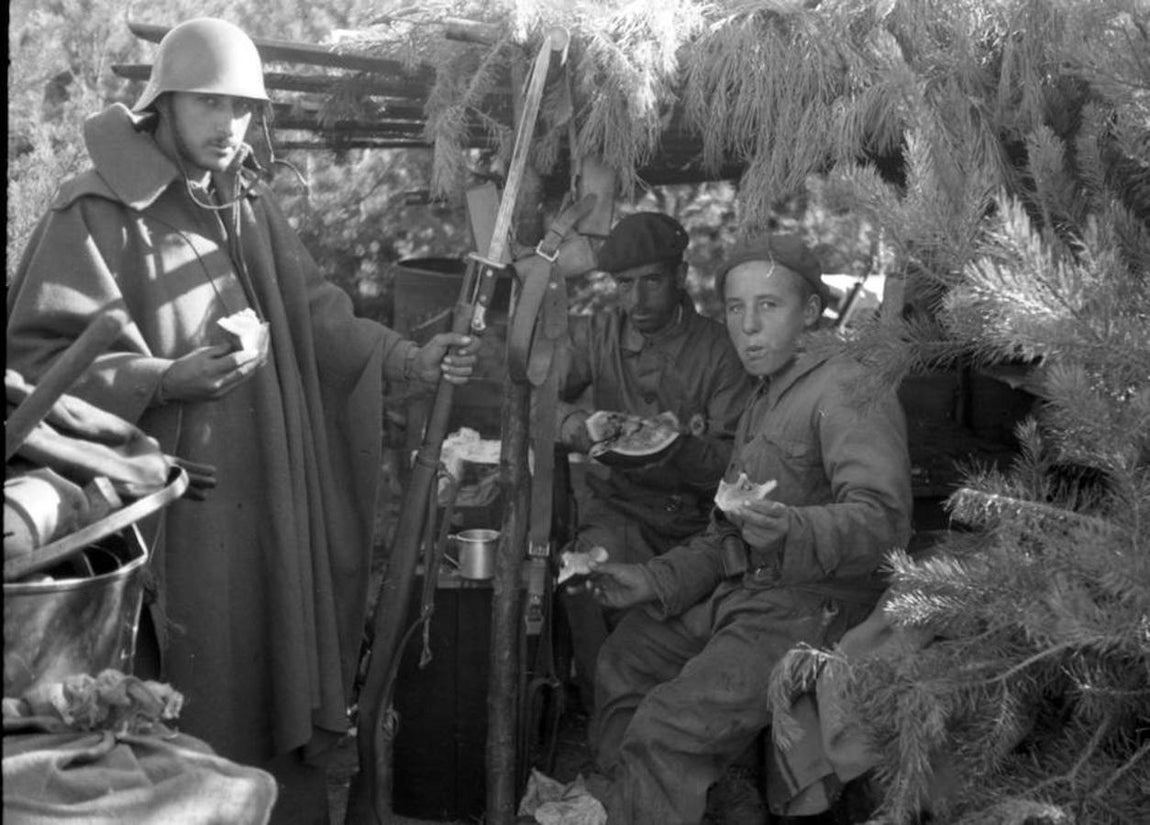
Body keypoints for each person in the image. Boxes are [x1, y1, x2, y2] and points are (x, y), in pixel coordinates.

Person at [5, 17, 476, 824]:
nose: (231, 126)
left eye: (245, 108)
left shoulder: (244, 201)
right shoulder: (93, 211)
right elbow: (35, 364)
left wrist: (405, 359)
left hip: (266, 493)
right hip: (172, 507)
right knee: (189, 680)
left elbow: (314, 313)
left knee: (265, 671)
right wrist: (162, 376)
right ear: (163, 104)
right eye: (211, 105)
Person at [582, 234, 913, 824]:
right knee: (624, 658)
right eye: (736, 308)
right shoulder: (765, 398)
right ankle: (629, 802)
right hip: (744, 594)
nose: (748, 327)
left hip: (807, 606)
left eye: (769, 306)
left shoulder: (845, 387)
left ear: (810, 311)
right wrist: (651, 580)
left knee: (666, 727)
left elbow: (884, 522)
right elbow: (724, 533)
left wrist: (792, 528)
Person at [552, 211, 754, 711]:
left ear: (680, 277)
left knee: (687, 640)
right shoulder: (597, 335)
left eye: (651, 282)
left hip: (695, 520)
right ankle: (604, 713)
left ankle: (674, 713)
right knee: (585, 579)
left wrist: (677, 446)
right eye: (623, 284)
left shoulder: (721, 351)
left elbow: (731, 466)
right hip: (617, 507)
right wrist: (573, 426)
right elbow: (537, 395)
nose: (636, 301)